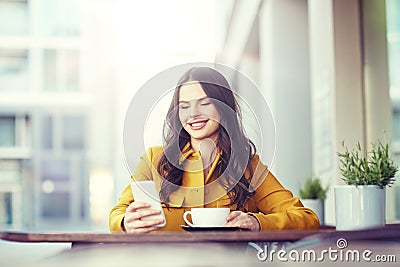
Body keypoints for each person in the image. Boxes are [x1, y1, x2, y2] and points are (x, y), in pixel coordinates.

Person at [109, 66, 319, 233]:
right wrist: (126, 223)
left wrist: (257, 222)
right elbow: (118, 214)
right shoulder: (155, 160)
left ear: (223, 107)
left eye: (205, 103)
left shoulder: (248, 166)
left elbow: (307, 218)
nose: (193, 114)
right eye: (184, 106)